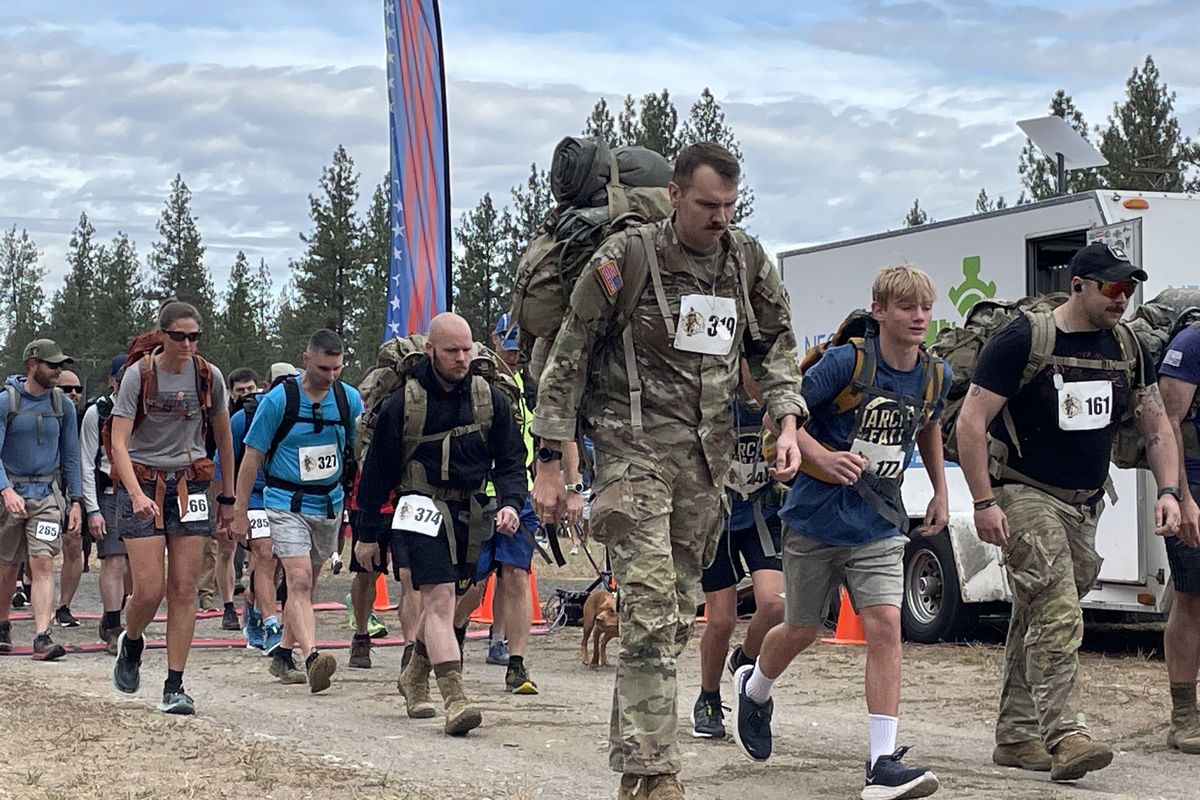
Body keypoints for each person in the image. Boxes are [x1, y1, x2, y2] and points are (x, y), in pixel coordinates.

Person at [530, 142, 807, 800]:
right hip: (633, 451)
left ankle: (634, 763)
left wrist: (787, 418)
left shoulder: (746, 261)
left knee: (674, 614)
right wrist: (548, 461)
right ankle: (657, 771)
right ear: (676, 196)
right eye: (708, 204)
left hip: (708, 465)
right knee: (651, 606)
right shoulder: (625, 258)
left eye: (730, 206)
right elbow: (569, 354)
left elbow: (775, 344)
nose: (720, 217)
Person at [956, 242, 1180, 781]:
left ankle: (1015, 734)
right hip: (1023, 492)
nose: (1122, 298)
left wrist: (1169, 490)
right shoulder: (1023, 340)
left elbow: (1155, 425)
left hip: (1084, 502)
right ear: (1079, 284)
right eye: (1111, 287)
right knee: (1057, 610)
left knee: (1036, 609)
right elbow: (970, 422)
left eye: (1128, 288)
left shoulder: (1127, 345)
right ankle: (1067, 735)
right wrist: (984, 501)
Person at [732, 267, 950, 800]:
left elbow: (928, 426)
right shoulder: (846, 363)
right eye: (905, 307)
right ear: (879, 311)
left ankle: (881, 762)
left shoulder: (934, 375)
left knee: (885, 627)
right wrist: (824, 458)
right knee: (802, 627)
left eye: (924, 307)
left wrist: (940, 490)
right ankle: (754, 687)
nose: (918, 317)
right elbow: (780, 418)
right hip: (814, 519)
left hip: (878, 523)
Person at [355, 312, 527, 736]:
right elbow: (376, 472)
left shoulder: (491, 399)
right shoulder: (403, 403)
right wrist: (365, 534)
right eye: (452, 350)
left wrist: (510, 503)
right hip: (418, 510)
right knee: (439, 600)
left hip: (473, 512)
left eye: (467, 349)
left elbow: (509, 461)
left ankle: (414, 675)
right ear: (430, 349)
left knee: (461, 597)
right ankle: (455, 697)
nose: (461, 358)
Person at [109, 301, 237, 715]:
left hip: (191, 483)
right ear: (162, 334)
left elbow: (224, 439)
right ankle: (131, 642)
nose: (187, 344)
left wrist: (229, 498)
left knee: (184, 587)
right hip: (144, 481)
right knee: (148, 589)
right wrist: (134, 492)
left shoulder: (208, 376)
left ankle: (174, 683)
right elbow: (118, 442)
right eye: (179, 336)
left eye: (194, 337)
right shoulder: (139, 375)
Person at [232, 331, 362, 693]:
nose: (331, 375)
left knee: (307, 584)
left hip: (329, 503)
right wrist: (240, 510)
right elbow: (252, 457)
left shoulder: (348, 400)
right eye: (323, 367)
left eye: (337, 368)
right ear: (306, 359)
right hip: (284, 502)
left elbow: (361, 450)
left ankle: (283, 654)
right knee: (299, 580)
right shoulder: (278, 401)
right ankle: (313, 656)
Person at [691, 364, 785, 740]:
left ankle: (744, 660)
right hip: (719, 514)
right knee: (722, 620)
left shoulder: (781, 401)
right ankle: (708, 698)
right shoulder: (714, 397)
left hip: (762, 510)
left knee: (775, 605)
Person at [472, 314, 544, 694]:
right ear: (494, 339)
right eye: (509, 345)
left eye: (520, 348)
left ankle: (516, 663)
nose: (515, 355)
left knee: (516, 574)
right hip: (478, 494)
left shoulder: (527, 386)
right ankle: (442, 644)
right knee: (472, 580)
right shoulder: (479, 384)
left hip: (520, 493)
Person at [0, 339, 82, 660]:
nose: (58, 371)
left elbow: (71, 457)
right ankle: (3, 624)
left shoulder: (64, 407)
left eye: (61, 365)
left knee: (43, 561)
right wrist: (5, 490)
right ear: (32, 365)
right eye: (52, 365)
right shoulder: (6, 403)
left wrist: (75, 501)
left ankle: (41, 636)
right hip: (10, 495)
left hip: (47, 495)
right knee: (7, 566)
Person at [1153, 322, 1200, 753]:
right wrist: (1183, 499)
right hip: (1196, 492)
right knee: (1192, 598)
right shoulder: (1192, 343)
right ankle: (1184, 715)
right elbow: (1167, 425)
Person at [223, 364, 287, 655]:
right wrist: (228, 507)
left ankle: (253, 604)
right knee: (264, 554)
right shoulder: (242, 418)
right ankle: (271, 624)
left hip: (285, 498)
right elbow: (222, 463)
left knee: (276, 564)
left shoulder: (300, 415)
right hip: (254, 498)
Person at [199, 367, 260, 627]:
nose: (246, 394)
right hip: (226, 488)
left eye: (250, 389)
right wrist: (222, 502)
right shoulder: (225, 418)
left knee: (260, 551)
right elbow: (219, 462)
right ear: (231, 392)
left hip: (259, 492)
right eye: (240, 390)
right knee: (224, 548)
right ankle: (226, 606)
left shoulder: (262, 413)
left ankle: (254, 602)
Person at [81, 354, 131, 654]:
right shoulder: (97, 413)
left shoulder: (148, 410)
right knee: (115, 560)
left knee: (137, 573)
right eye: (122, 376)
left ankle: (113, 614)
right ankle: (114, 626)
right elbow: (87, 462)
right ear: (113, 380)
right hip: (110, 493)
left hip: (144, 490)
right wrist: (92, 508)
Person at [52, 369, 87, 628]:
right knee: (35, 551)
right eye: (66, 389)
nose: (73, 394)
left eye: (77, 389)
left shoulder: (87, 415)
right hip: (40, 484)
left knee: (73, 545)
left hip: (72, 487)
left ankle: (64, 605)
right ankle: (29, 589)